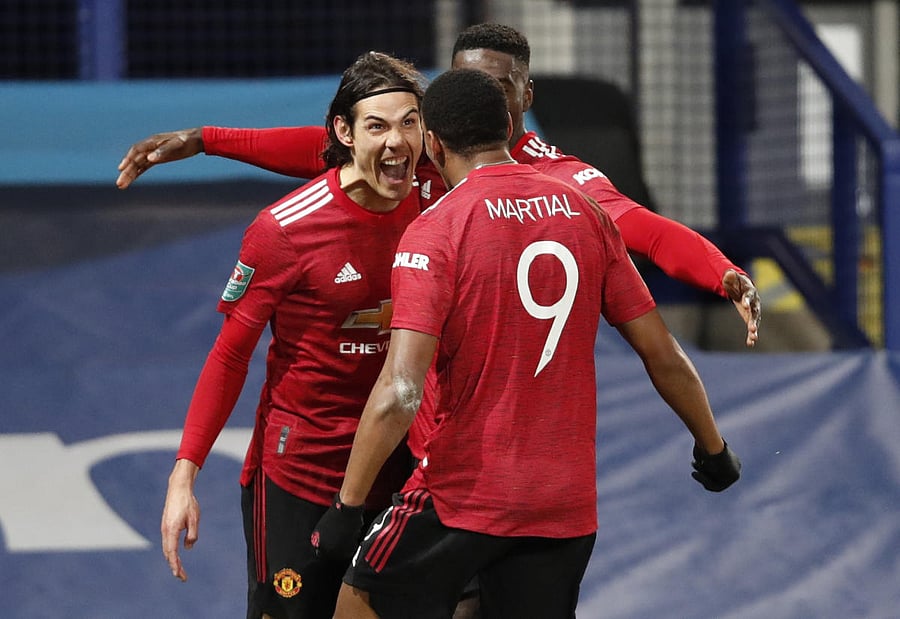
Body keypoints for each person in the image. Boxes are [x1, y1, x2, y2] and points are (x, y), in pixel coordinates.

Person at [308, 67, 740, 619]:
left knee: (357, 603)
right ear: (510, 127)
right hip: (564, 503)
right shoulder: (585, 213)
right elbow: (662, 354)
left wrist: (347, 506)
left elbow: (400, 391)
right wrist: (713, 448)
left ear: (432, 145)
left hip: (463, 493)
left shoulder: (438, 230)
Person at [116, 23, 761, 349]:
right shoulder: (431, 146)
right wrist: (206, 138)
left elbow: (643, 229)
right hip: (417, 393)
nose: (473, 96)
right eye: (461, 82)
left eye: (496, 86)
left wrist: (721, 270)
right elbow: (325, 148)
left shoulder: (562, 178)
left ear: (525, 95)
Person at [159, 51, 427, 618]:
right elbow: (230, 356)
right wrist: (185, 474)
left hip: (401, 480)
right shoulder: (284, 231)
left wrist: (207, 138)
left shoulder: (437, 198)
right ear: (344, 133)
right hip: (301, 478)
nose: (397, 141)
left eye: (410, 122)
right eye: (376, 126)